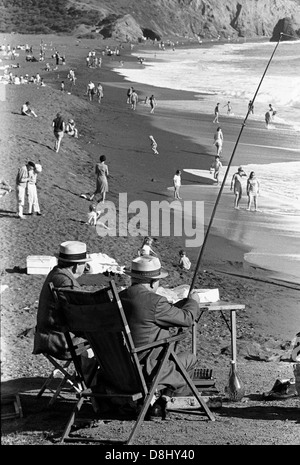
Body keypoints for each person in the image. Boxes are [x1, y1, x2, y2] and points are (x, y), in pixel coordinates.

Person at [119, 255, 201, 416]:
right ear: (153, 282)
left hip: (118, 369)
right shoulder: (155, 301)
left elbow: (147, 315)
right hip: (146, 369)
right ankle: (163, 402)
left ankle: (157, 401)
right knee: (190, 359)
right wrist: (193, 301)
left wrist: (175, 307)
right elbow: (186, 319)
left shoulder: (119, 298)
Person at [33, 241, 96, 383]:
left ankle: (84, 377)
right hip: (61, 342)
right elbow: (81, 316)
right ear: (75, 265)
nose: (85, 267)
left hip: (45, 336)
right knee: (105, 342)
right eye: (83, 264)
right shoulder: (67, 282)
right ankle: (91, 383)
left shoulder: (55, 274)